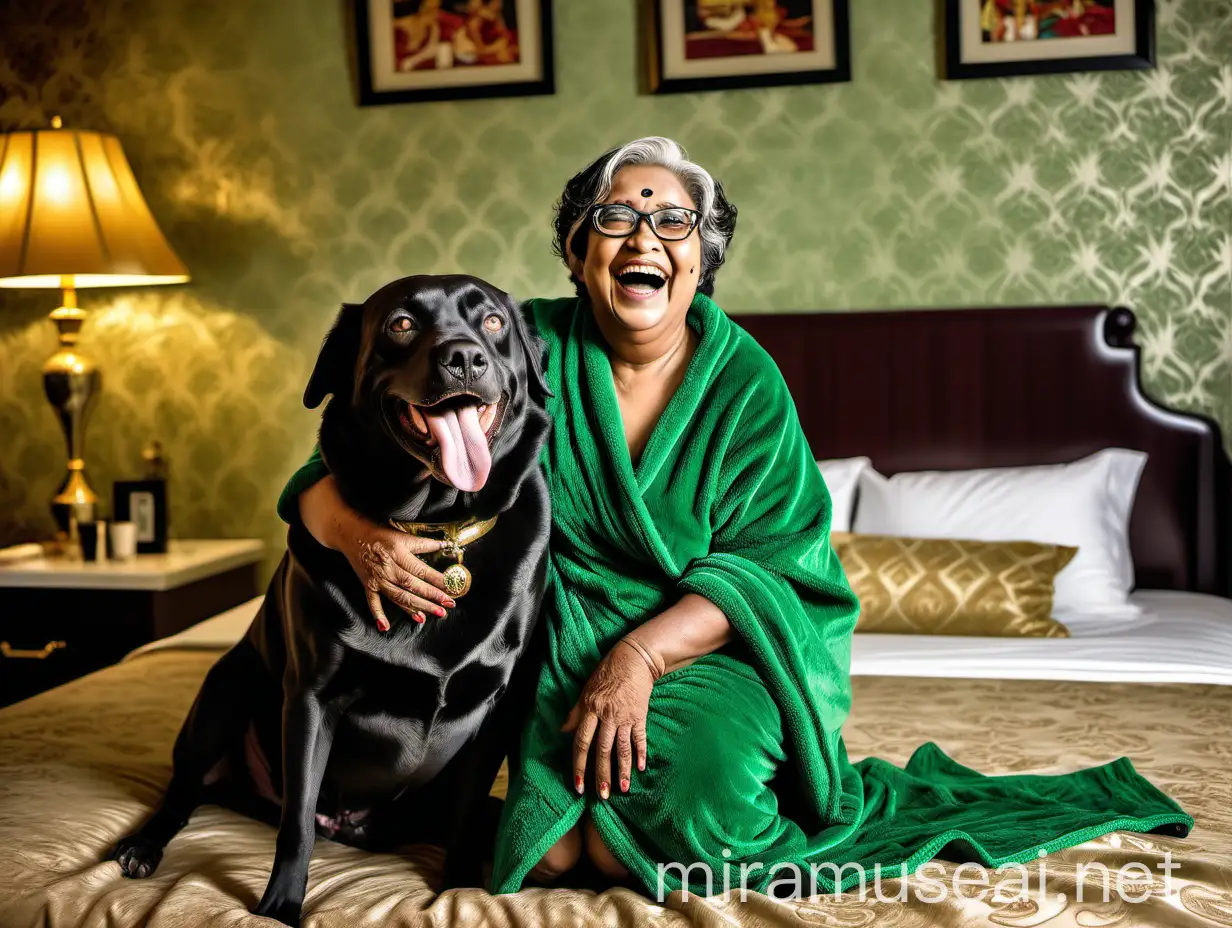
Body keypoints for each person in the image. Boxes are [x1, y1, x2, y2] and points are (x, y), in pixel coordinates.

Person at [278, 137, 1191, 898]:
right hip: (560, 637)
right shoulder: (522, 342)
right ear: (575, 248)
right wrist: (359, 537)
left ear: (701, 259)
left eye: (673, 221)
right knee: (550, 852)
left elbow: (778, 565)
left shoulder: (745, 383)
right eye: (616, 217)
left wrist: (638, 658)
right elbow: (337, 461)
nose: (646, 236)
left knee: (701, 827)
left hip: (717, 643)